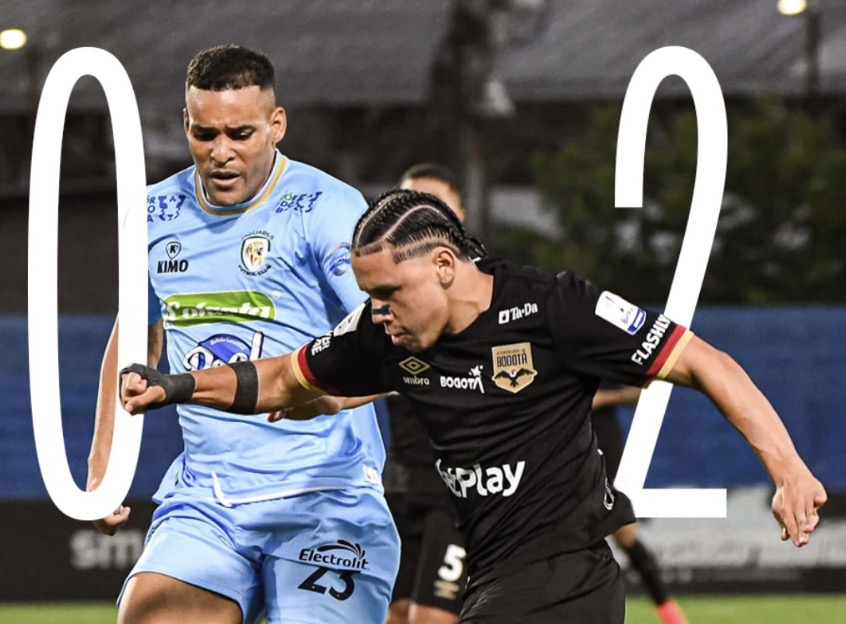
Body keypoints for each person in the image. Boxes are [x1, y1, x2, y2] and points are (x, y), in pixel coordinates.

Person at [120, 189, 827, 624]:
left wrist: (789, 469)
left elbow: (703, 360)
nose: (378, 311)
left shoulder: (555, 308)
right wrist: (174, 386)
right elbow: (282, 379)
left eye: (389, 293)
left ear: (443, 265)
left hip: (566, 577)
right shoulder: (384, 335)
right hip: (489, 573)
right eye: (369, 296)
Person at [86, 45, 399, 624]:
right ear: (186, 124)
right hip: (208, 500)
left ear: (276, 125)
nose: (221, 152)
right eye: (205, 134)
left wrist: (328, 394)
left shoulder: (327, 208)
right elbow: (136, 336)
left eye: (240, 133)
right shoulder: (154, 213)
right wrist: (104, 465)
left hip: (325, 496)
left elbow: (395, 334)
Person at [384, 164, 468, 624]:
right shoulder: (380, 300)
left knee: (432, 618)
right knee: (393, 613)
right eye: (410, 206)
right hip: (401, 484)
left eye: (435, 206)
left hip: (459, 490)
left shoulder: (480, 294)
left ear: (460, 215)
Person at [592, 384, 688, 624]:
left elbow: (640, 391)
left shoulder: (600, 365)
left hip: (604, 451)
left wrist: (603, 398)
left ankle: (668, 611)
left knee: (625, 535)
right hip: (565, 456)